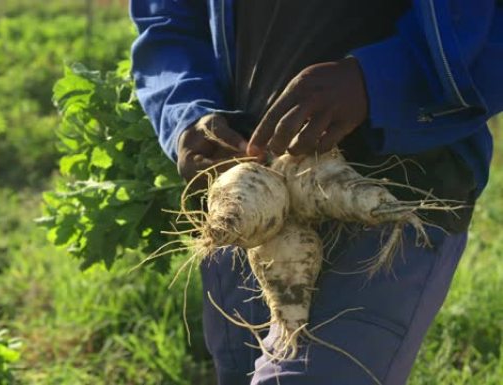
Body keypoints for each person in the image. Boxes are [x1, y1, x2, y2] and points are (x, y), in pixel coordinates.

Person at [129, 1, 503, 384]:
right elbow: (167, 19)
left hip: (404, 180)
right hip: (245, 190)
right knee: (240, 370)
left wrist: (378, 78)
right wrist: (186, 114)